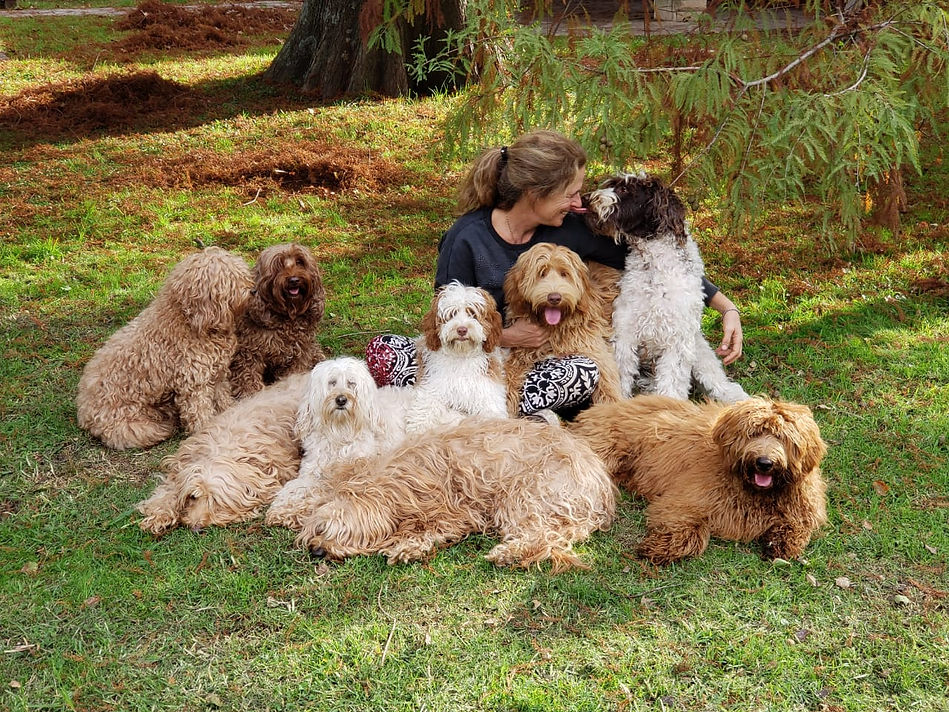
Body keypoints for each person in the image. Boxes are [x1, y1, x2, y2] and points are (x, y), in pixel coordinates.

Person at [367, 129, 743, 416]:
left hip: (556, 356)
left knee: (583, 372)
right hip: (480, 351)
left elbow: (654, 257)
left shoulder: (571, 229)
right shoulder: (466, 238)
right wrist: (509, 337)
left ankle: (488, 407)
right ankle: (479, 401)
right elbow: (445, 317)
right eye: (571, 193)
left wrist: (726, 307)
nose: (580, 204)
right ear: (535, 192)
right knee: (384, 351)